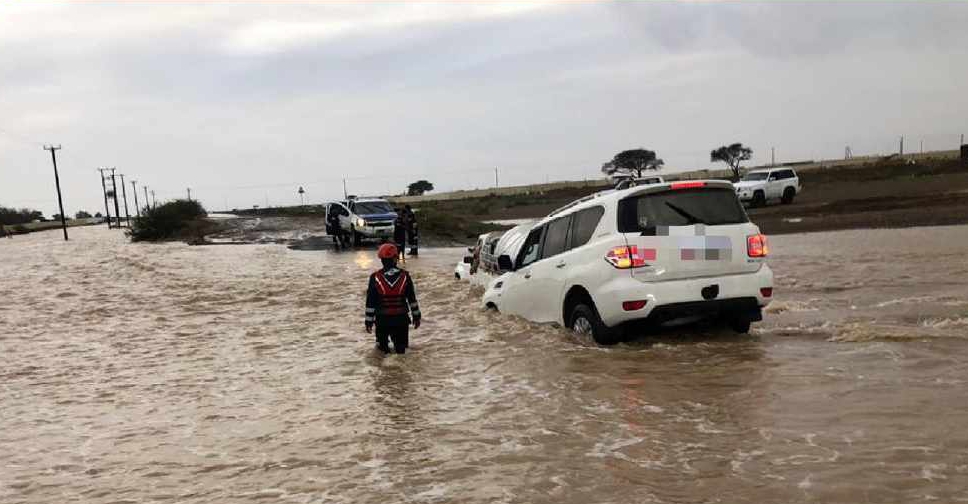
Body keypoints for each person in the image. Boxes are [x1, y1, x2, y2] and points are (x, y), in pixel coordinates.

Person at [365, 243, 421, 354]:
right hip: (401, 320)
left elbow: (370, 302)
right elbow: (412, 299)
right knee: (401, 352)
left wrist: (368, 322)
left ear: (381, 260)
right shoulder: (405, 276)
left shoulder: (375, 277)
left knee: (382, 352)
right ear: (395, 259)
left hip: (382, 320)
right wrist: (417, 317)